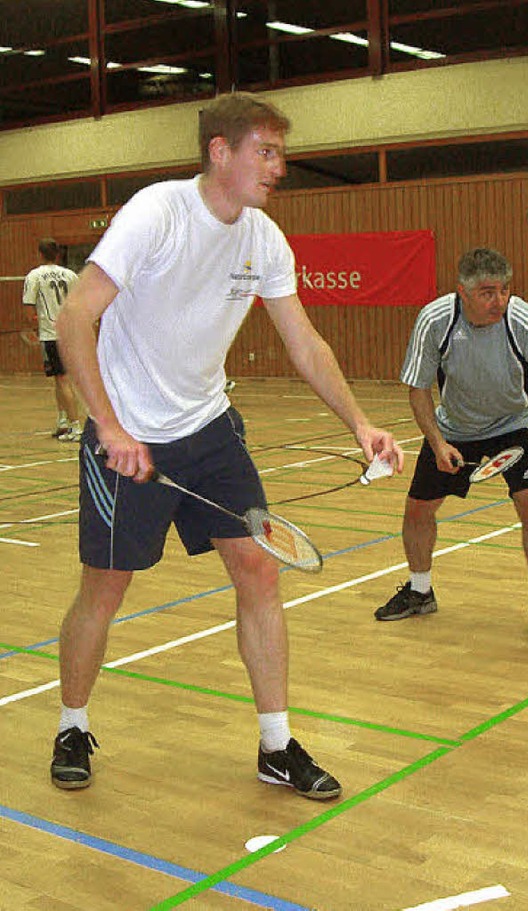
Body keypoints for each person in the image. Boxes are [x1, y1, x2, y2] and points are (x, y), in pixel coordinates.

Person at [51, 92, 403, 799]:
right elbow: (74, 318)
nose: (278, 167)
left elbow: (304, 343)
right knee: (106, 588)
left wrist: (360, 423)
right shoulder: (157, 213)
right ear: (221, 152)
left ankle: (276, 744)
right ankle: (72, 722)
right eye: (264, 152)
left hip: (210, 427)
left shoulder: (264, 238)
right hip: (130, 433)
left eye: (280, 153)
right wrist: (110, 425)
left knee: (260, 570)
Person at [375, 248, 528, 648]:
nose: (498, 300)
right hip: (455, 428)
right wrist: (437, 442)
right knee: (418, 510)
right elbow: (418, 388)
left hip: (514, 425)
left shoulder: (522, 319)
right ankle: (420, 591)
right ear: (462, 292)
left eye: (504, 290)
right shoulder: (435, 320)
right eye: (487, 292)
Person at [22, 238, 83, 441]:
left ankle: (75, 426)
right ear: (57, 254)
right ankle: (63, 421)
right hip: (70, 334)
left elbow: (29, 308)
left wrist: (33, 326)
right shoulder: (71, 275)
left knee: (63, 380)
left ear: (39, 254)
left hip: (51, 335)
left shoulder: (34, 276)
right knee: (60, 378)